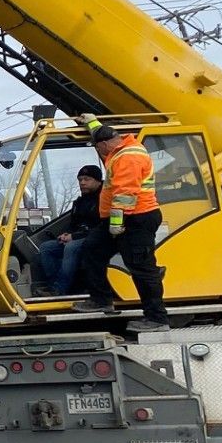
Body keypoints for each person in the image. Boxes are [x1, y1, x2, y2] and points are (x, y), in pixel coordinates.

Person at [75, 122, 169, 331]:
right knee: (92, 248)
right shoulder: (118, 150)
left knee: (141, 268)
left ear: (104, 144)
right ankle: (101, 299)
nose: (99, 152)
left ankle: (157, 318)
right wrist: (92, 123)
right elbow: (101, 132)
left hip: (136, 218)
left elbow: (125, 194)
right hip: (123, 217)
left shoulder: (128, 157)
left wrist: (117, 224)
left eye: (98, 148)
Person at [36, 165, 103, 295]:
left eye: (87, 179)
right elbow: (74, 224)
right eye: (80, 179)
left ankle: (60, 289)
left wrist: (73, 237)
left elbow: (100, 227)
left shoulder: (104, 199)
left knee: (71, 247)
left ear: (98, 181)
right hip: (79, 236)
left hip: (97, 238)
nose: (82, 183)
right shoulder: (80, 202)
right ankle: (53, 286)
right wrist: (67, 234)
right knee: (46, 248)